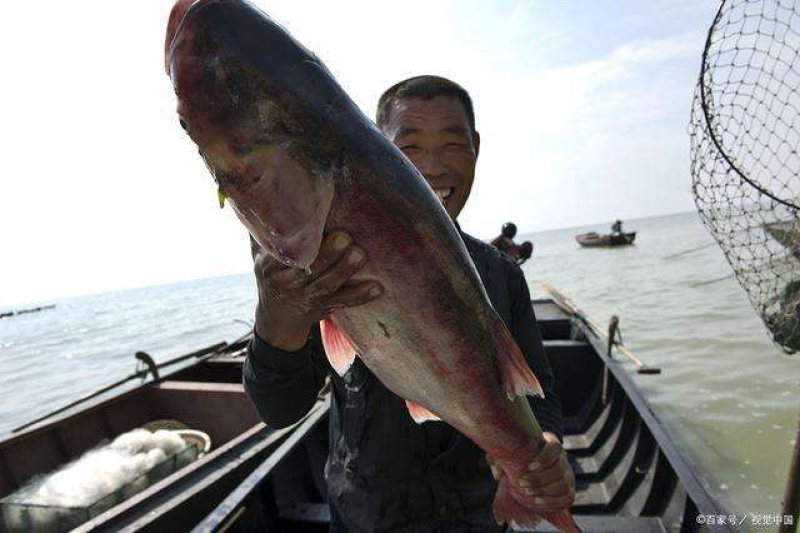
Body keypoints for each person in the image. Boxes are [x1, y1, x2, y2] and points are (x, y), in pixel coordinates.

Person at [244, 76, 574, 532]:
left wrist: (547, 451)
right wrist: (276, 317)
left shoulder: (502, 275)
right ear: (378, 152)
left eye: (453, 143)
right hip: (368, 518)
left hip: (477, 518)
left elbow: (541, 395)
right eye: (410, 146)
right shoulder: (334, 260)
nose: (434, 167)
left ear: (476, 147)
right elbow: (279, 409)